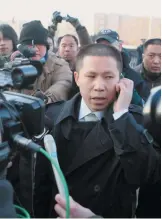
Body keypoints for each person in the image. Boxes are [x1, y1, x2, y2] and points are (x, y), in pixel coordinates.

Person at [34, 44, 160, 218]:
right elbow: (39, 187)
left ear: (121, 80)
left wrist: (122, 116)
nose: (99, 86)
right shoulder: (51, 117)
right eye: (91, 76)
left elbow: (145, 176)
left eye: (108, 77)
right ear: (77, 78)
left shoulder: (134, 121)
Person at [12, 20, 72, 103]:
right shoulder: (15, 63)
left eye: (39, 44)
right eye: (30, 45)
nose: (35, 49)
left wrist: (45, 99)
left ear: (46, 46)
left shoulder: (58, 64)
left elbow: (63, 84)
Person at [95, 29, 150, 102]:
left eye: (110, 47)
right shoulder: (88, 74)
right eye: (100, 47)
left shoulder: (133, 78)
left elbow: (145, 107)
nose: (104, 51)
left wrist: (130, 99)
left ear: (120, 47)